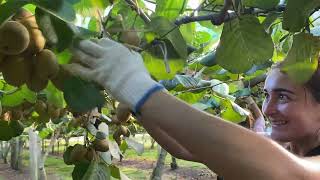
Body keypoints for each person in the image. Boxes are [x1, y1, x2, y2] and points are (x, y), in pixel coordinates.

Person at [64, 38, 320, 180]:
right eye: (266, 95)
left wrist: (137, 87)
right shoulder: (273, 146)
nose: (269, 108)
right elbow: (184, 147)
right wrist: (134, 100)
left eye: (283, 97)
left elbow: (292, 174)